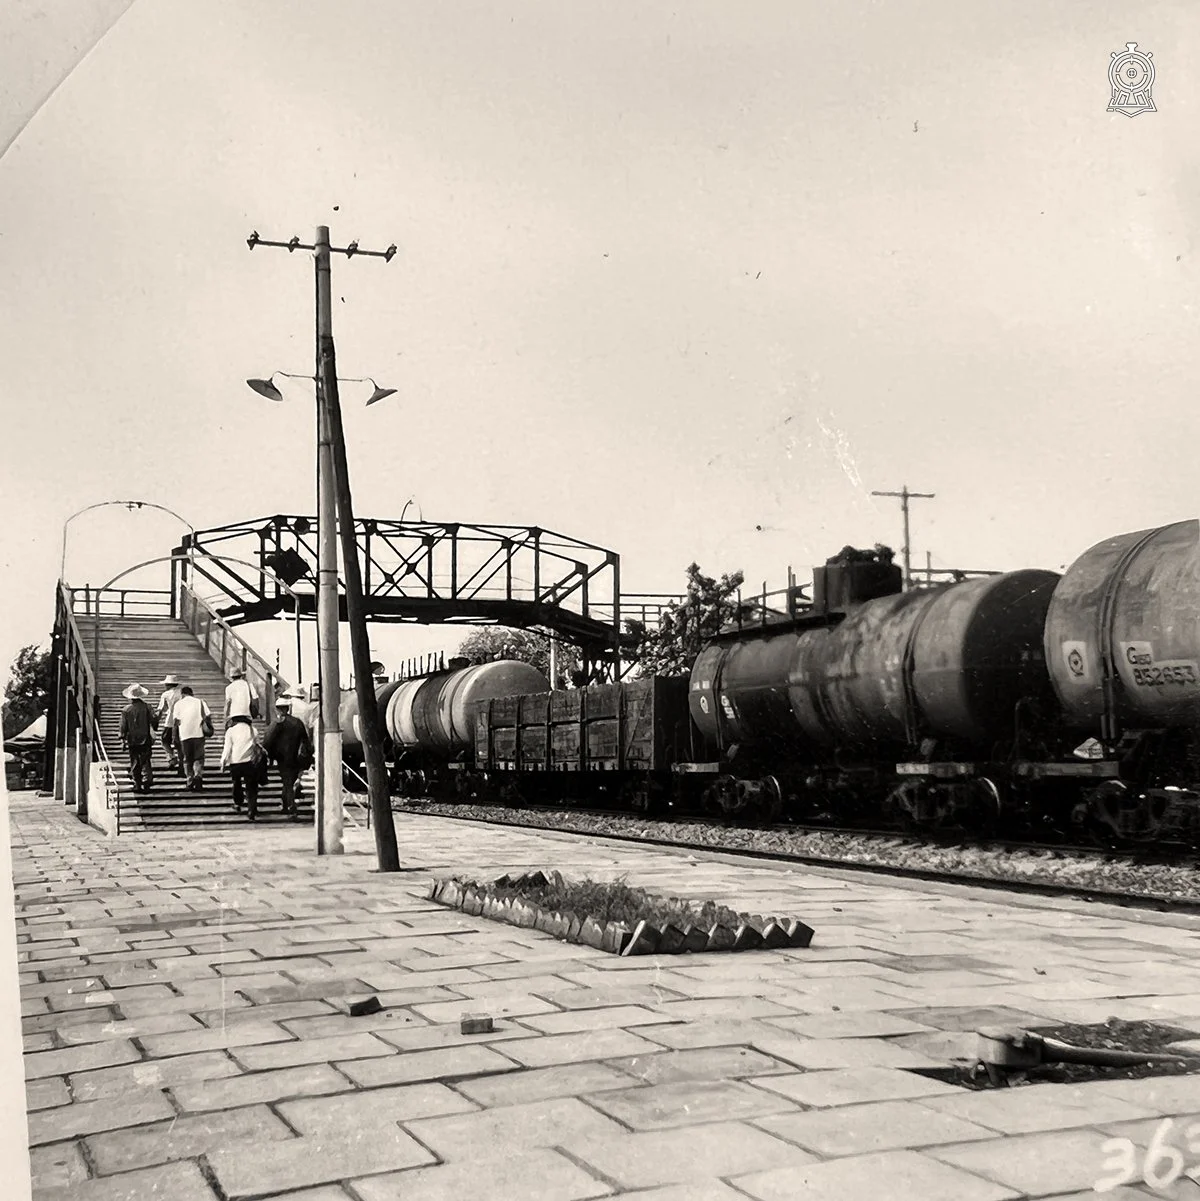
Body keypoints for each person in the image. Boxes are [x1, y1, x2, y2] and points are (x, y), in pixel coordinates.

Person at [262, 696, 312, 819]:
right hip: (297, 757)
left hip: (282, 758)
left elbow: (267, 741)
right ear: (288, 708)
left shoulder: (277, 723)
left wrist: (270, 756)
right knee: (288, 781)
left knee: (287, 782)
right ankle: (285, 804)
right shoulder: (297, 722)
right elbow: (306, 741)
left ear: (278, 709)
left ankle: (291, 806)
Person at [220, 713, 262, 819]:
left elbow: (227, 748)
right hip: (250, 762)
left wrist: (223, 762)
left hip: (235, 762)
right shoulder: (253, 730)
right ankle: (251, 808)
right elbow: (258, 745)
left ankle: (238, 803)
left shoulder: (231, 731)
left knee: (236, 783)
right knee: (251, 786)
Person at [172, 685, 213, 790]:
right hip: (198, 734)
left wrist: (174, 736)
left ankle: (189, 781)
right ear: (192, 693)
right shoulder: (200, 702)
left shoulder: (178, 704)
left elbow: (176, 722)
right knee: (198, 758)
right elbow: (208, 715)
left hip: (184, 735)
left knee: (187, 759)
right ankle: (198, 775)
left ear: (182, 694)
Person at [119, 683, 157, 793]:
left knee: (134, 761)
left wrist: (122, 739)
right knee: (145, 761)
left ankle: (137, 783)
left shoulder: (126, 710)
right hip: (145, 738)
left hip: (132, 739)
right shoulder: (148, 707)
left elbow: (123, 726)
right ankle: (147, 781)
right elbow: (154, 721)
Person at [156, 675, 183, 775]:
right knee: (179, 743)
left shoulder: (166, 694)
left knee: (164, 740)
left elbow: (161, 709)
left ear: (168, 684)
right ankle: (181, 763)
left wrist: (156, 721)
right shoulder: (182, 693)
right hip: (182, 720)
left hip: (170, 720)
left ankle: (171, 757)